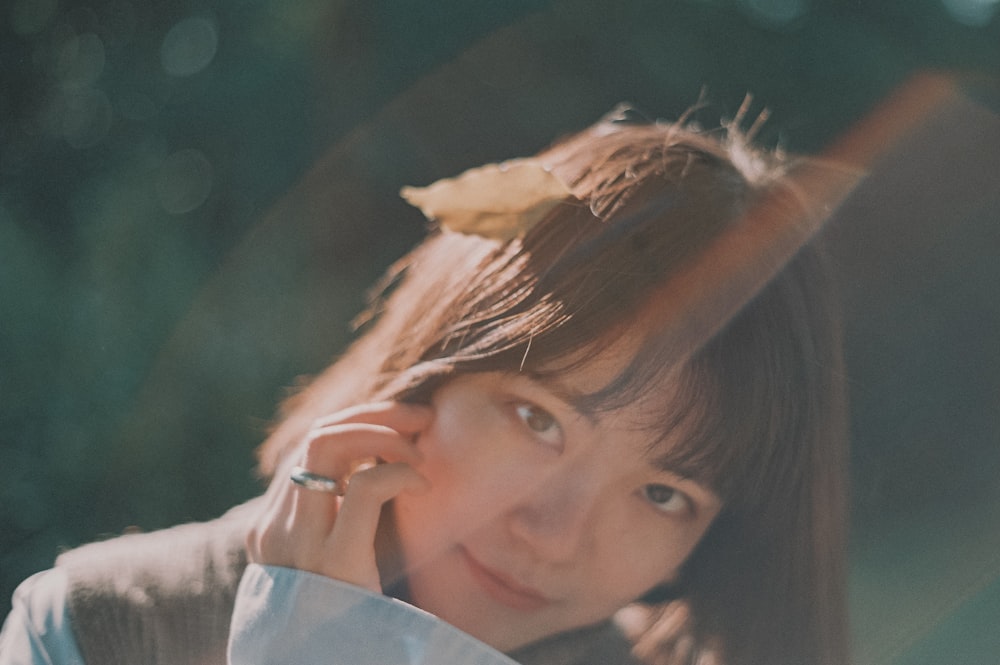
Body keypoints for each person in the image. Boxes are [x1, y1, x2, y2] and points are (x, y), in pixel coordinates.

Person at [0, 106, 849, 665]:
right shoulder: (98, 627)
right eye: (536, 418)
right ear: (430, 367)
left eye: (664, 493)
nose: (553, 536)